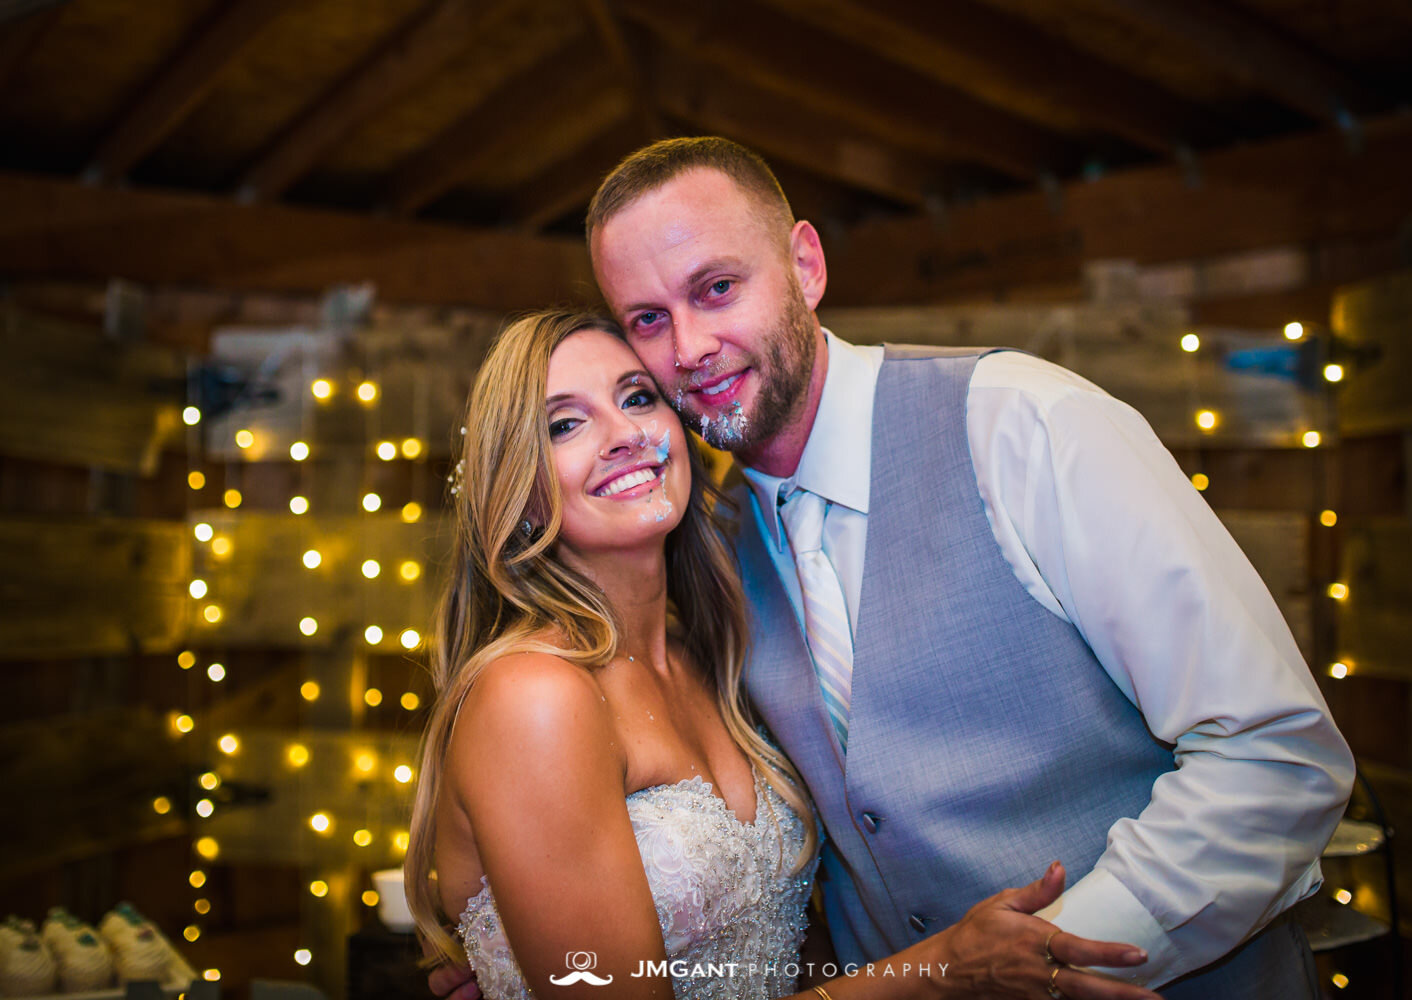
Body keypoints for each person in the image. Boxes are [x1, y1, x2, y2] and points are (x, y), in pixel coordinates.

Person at [577, 137, 1358, 999]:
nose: (689, 348)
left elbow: (1275, 755)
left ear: (804, 266)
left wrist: (1046, 963)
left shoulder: (1021, 424)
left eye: (717, 289)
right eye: (648, 319)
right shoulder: (705, 544)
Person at [408, 309, 1161, 1000]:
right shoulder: (536, 694)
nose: (625, 433)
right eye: (565, 425)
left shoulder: (708, 652)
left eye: (638, 398)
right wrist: (940, 970)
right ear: (520, 490)